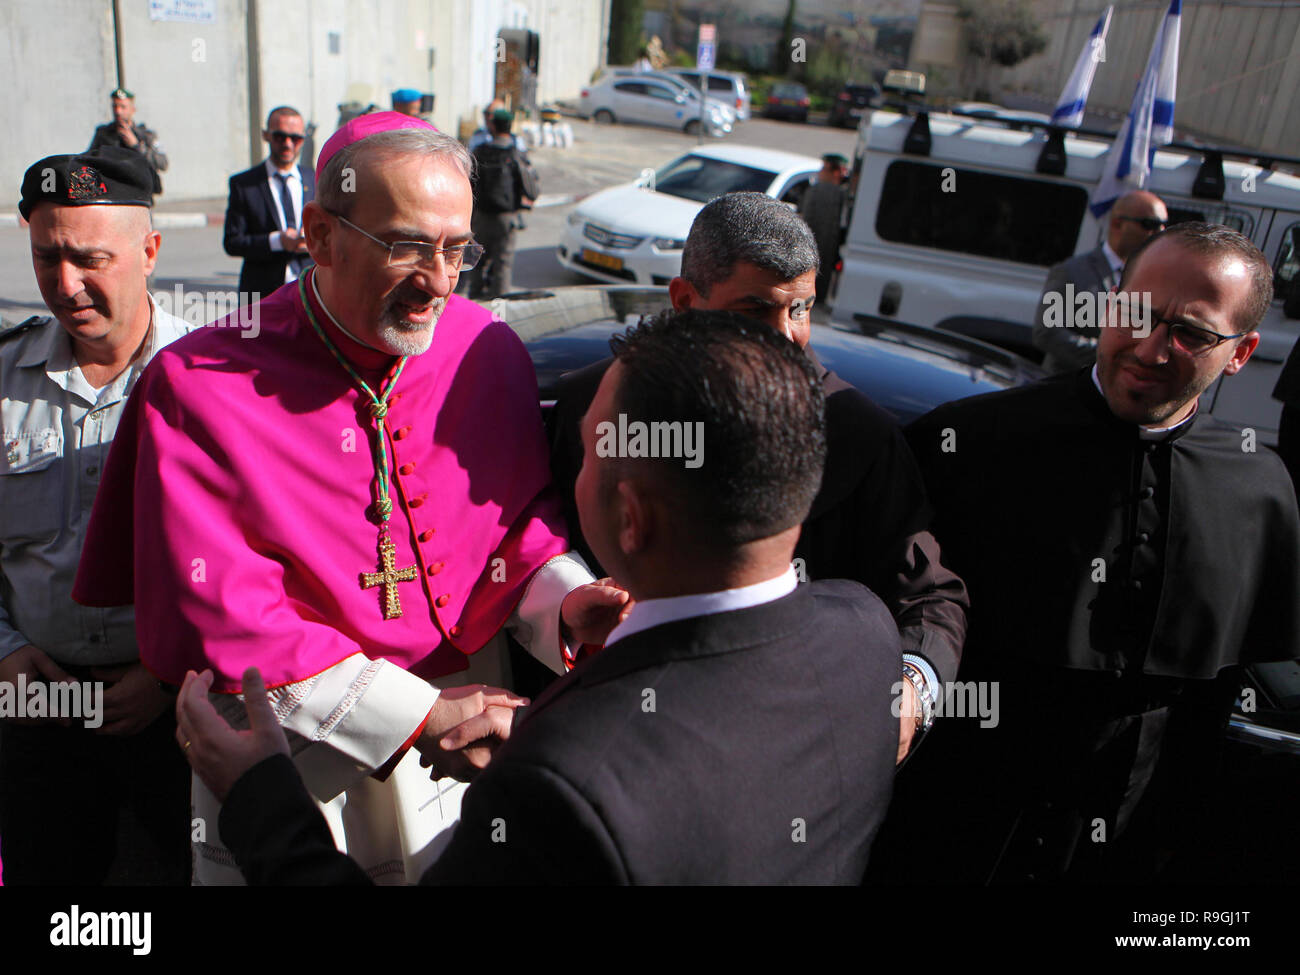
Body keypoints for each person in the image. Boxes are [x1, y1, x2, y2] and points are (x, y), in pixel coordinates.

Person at [72, 112, 626, 885]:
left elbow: (509, 529)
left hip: (468, 722)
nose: (438, 281)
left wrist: (567, 602)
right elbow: (224, 614)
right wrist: (412, 715)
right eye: (407, 245)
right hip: (292, 753)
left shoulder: (481, 347)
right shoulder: (198, 384)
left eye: (456, 249)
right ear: (322, 235)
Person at [177, 308, 904, 884]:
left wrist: (259, 796)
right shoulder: (866, 633)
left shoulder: (558, 794)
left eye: (587, 451)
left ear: (629, 518)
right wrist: (545, 729)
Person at [895, 223, 1300, 883]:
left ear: (1242, 351)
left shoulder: (1258, 489)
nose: (1150, 346)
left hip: (1131, 841)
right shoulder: (970, 441)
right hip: (958, 815)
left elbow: (1223, 692)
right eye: (1136, 313)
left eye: (1191, 333)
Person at [549, 192, 968, 763]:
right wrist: (568, 604)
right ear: (684, 300)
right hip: (609, 744)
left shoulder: (856, 433)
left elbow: (929, 597)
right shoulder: (595, 404)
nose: (787, 337)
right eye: (755, 312)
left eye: (800, 309)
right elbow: (530, 542)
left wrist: (913, 693)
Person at [0, 148, 195, 884]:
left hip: (181, 714)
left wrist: (169, 671)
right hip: (36, 713)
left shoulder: (213, 380)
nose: (65, 284)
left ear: (148, 251)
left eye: (89, 258)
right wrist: (5, 651)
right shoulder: (5, 376)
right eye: (46, 256)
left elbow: (255, 559)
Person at [1033, 189, 1167, 374]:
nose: (1159, 233)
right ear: (1117, 224)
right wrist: (1112, 352)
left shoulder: (1152, 278)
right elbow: (1047, 333)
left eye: (1164, 225)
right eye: (1149, 224)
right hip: (1069, 386)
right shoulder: (1072, 271)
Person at [222, 106, 316, 304]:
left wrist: (313, 243)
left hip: (310, 291)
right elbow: (232, 242)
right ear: (266, 135)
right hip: (261, 294)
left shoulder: (316, 180)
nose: (288, 144)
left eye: (295, 138)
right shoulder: (244, 184)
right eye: (280, 137)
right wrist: (277, 241)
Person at [467, 108, 534, 300]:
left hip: (479, 217)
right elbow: (532, 190)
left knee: (476, 262)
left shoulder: (480, 152)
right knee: (502, 265)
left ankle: (474, 306)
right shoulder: (516, 154)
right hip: (506, 219)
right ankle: (499, 314)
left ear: (493, 126)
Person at [88, 88, 168, 195]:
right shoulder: (103, 134)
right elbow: (89, 159)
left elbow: (162, 163)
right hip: (112, 192)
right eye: (115, 107)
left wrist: (136, 146)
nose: (118, 111)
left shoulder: (146, 135)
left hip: (139, 193)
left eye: (123, 107)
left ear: (132, 109)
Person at [798, 153, 848, 302]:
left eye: (824, 169)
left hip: (812, 257)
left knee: (802, 299)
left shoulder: (820, 192)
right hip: (822, 263)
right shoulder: (842, 195)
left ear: (837, 172)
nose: (820, 173)